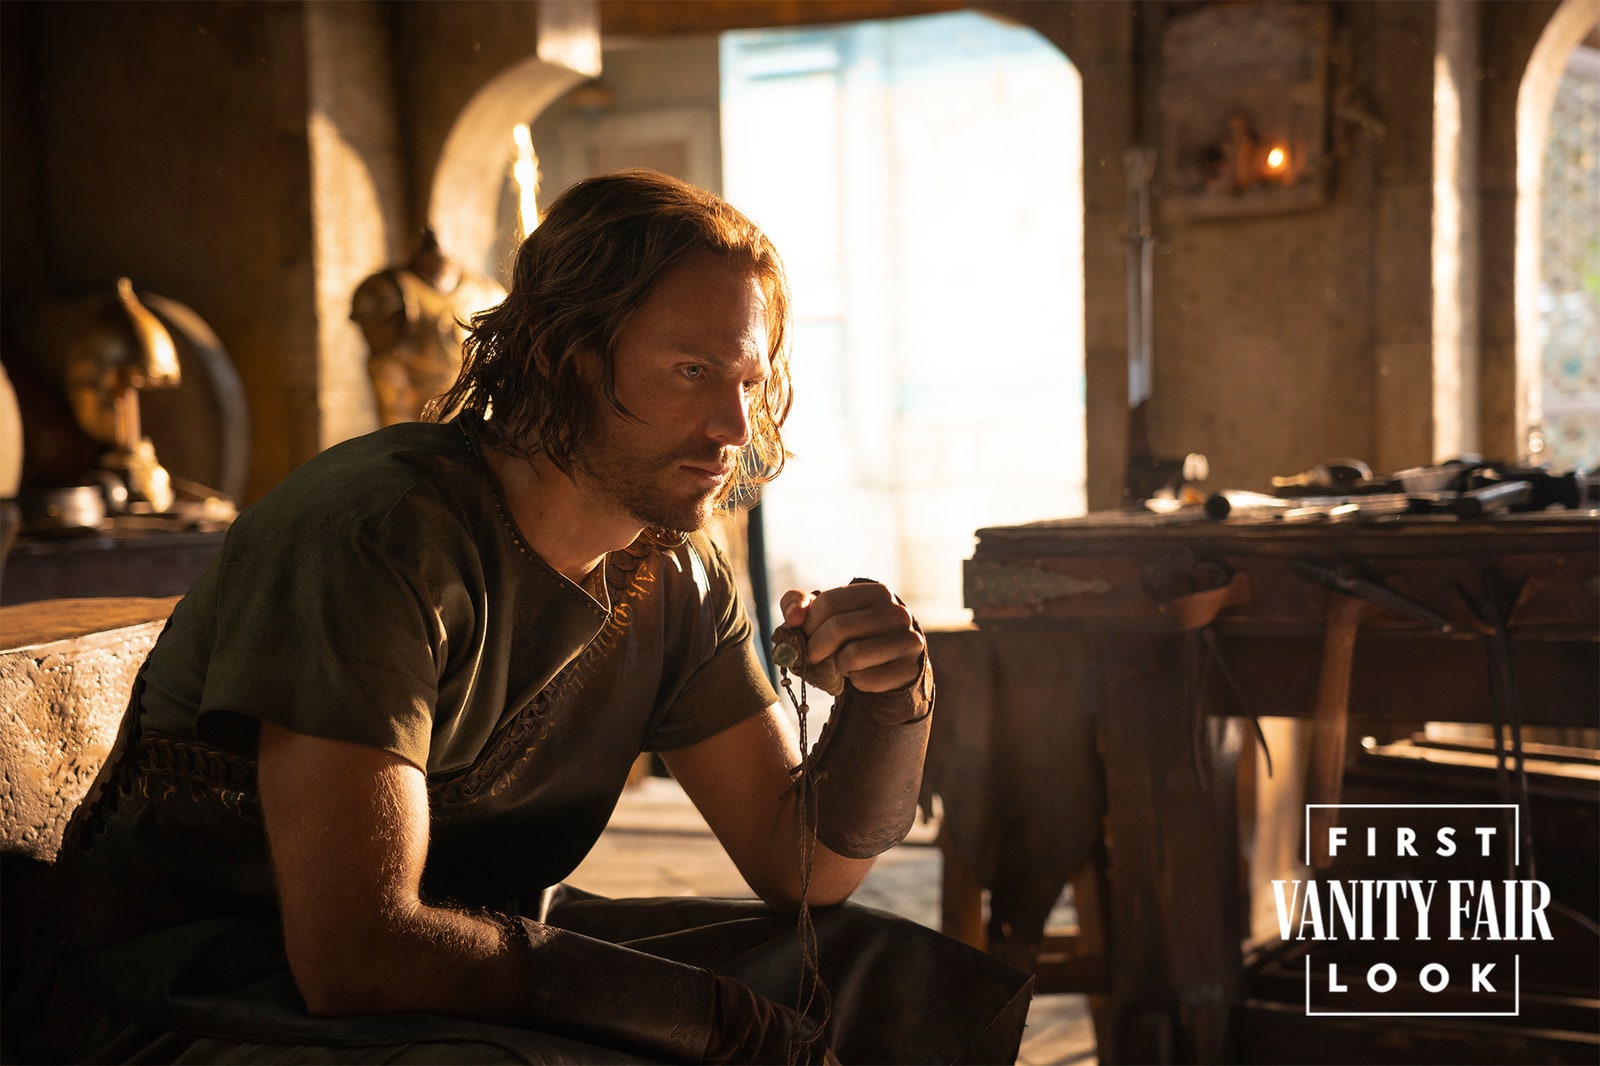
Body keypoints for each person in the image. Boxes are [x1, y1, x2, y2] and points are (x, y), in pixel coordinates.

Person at [3, 170, 1032, 1065]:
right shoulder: (377, 536)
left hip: (460, 955)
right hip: (196, 989)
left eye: (745, 381)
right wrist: (698, 1015)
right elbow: (354, 956)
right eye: (691, 373)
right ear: (568, 354)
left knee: (883, 973)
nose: (730, 426)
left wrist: (892, 701)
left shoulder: (675, 572)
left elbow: (801, 869)